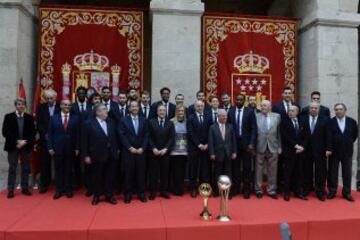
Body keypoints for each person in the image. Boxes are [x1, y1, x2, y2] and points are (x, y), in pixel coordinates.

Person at [82, 103, 119, 205]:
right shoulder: (88, 123)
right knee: (97, 176)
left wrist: (116, 151)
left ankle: (109, 195)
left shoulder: (111, 122)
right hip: (96, 155)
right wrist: (86, 155)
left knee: (110, 176)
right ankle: (97, 196)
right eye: (104, 109)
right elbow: (84, 141)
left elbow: (114, 138)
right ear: (98, 112)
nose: (107, 111)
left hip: (111, 154)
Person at [2, 98, 36, 198]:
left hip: (26, 146)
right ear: (15, 105)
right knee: (12, 168)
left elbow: (32, 132)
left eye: (22, 104)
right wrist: (17, 141)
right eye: (19, 104)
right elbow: (5, 132)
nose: (21, 106)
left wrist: (24, 142)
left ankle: (25, 188)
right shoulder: (8, 117)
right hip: (13, 146)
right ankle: (11, 190)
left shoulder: (29, 117)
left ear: (25, 106)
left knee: (26, 168)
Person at [48, 100, 80, 199]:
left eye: (69, 105)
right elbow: (49, 134)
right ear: (61, 105)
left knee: (69, 170)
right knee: (58, 170)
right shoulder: (53, 118)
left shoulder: (76, 118)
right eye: (65, 105)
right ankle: (58, 190)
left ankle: (68, 190)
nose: (67, 106)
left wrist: (77, 147)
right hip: (57, 148)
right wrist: (50, 147)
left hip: (70, 148)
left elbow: (78, 134)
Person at [118, 100, 148, 203]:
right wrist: (130, 148)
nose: (135, 108)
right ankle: (128, 194)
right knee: (128, 174)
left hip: (141, 152)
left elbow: (146, 135)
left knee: (141, 173)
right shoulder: (123, 120)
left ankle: (141, 193)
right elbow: (121, 135)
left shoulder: (144, 120)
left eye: (136, 106)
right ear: (129, 108)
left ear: (138, 108)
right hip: (128, 152)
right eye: (132, 107)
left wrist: (142, 148)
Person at [228, 94, 257, 199]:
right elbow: (228, 128)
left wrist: (252, 143)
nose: (239, 101)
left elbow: (254, 128)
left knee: (247, 168)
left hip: (247, 144)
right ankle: (235, 189)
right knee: (235, 168)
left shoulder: (249, 111)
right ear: (235, 100)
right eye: (237, 99)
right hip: (234, 144)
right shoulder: (230, 111)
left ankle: (246, 189)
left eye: (241, 99)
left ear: (244, 101)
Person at [327, 103, 358, 202]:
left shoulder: (352, 122)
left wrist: (345, 142)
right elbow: (328, 137)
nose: (338, 111)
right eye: (336, 109)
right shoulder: (330, 122)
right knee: (332, 173)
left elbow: (354, 135)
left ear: (345, 110)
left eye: (340, 109)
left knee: (347, 173)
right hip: (334, 152)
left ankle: (347, 193)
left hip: (347, 152)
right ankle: (332, 191)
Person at [302, 102, 332, 201]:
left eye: (315, 108)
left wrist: (328, 148)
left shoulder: (326, 120)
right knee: (306, 170)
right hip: (306, 150)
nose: (313, 109)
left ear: (319, 109)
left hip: (321, 150)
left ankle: (320, 191)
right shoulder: (303, 118)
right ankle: (306, 189)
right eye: (312, 108)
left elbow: (329, 135)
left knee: (321, 171)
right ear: (309, 109)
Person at [280, 105, 308, 201]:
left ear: (297, 112)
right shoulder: (284, 122)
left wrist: (302, 147)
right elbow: (285, 136)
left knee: (299, 173)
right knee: (288, 173)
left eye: (292, 111)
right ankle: (286, 193)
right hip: (289, 151)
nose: (290, 112)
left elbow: (306, 136)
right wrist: (296, 146)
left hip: (301, 152)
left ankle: (298, 192)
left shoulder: (302, 121)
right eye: (289, 111)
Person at [255, 100, 281, 199]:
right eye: (261, 106)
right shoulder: (256, 116)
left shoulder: (277, 116)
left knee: (273, 170)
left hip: (273, 146)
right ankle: (258, 190)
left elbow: (279, 133)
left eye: (265, 105)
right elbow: (254, 132)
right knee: (258, 169)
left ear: (270, 107)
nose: (262, 107)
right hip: (260, 146)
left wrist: (279, 146)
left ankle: (272, 190)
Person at [148, 105, 175, 200]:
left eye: (163, 110)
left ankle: (164, 191)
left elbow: (172, 138)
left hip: (165, 152)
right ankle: (153, 192)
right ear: (157, 112)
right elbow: (149, 137)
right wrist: (153, 148)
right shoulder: (151, 122)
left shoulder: (170, 123)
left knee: (165, 173)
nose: (162, 112)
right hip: (153, 152)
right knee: (153, 173)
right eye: (160, 110)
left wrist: (166, 149)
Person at [187, 100, 212, 197]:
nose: (200, 107)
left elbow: (211, 131)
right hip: (194, 147)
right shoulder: (190, 117)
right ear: (194, 107)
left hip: (206, 147)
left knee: (204, 170)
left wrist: (207, 144)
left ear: (204, 106)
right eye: (198, 106)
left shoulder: (208, 117)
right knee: (193, 169)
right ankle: (193, 188)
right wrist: (199, 144)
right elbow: (190, 133)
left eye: (202, 106)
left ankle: (204, 188)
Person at [208, 109, 237, 196]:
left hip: (228, 153)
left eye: (226, 115)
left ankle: (227, 191)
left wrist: (234, 152)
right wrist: (212, 153)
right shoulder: (212, 127)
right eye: (223, 115)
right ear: (218, 116)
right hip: (217, 154)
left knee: (228, 173)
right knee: (218, 173)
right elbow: (211, 141)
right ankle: (217, 191)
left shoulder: (230, 126)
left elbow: (233, 140)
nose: (225, 117)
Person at [37, 89, 60, 193]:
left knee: (59, 163)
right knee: (45, 163)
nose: (49, 100)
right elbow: (39, 123)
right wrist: (45, 134)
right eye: (47, 98)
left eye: (51, 98)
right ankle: (44, 184)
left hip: (58, 139)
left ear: (55, 98)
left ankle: (60, 185)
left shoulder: (61, 107)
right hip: (45, 140)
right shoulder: (41, 107)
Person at [70, 86, 91, 190]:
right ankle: (77, 182)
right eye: (80, 93)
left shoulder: (90, 106)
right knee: (76, 162)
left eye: (83, 93)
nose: (81, 95)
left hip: (88, 137)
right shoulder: (72, 106)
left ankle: (88, 183)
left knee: (88, 162)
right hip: (75, 137)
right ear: (76, 95)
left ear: (86, 95)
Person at [170, 105, 188, 196]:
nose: (181, 113)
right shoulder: (171, 122)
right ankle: (175, 188)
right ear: (176, 111)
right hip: (174, 151)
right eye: (179, 111)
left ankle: (180, 188)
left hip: (184, 151)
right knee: (175, 171)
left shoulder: (187, 122)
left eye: (182, 111)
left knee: (182, 171)